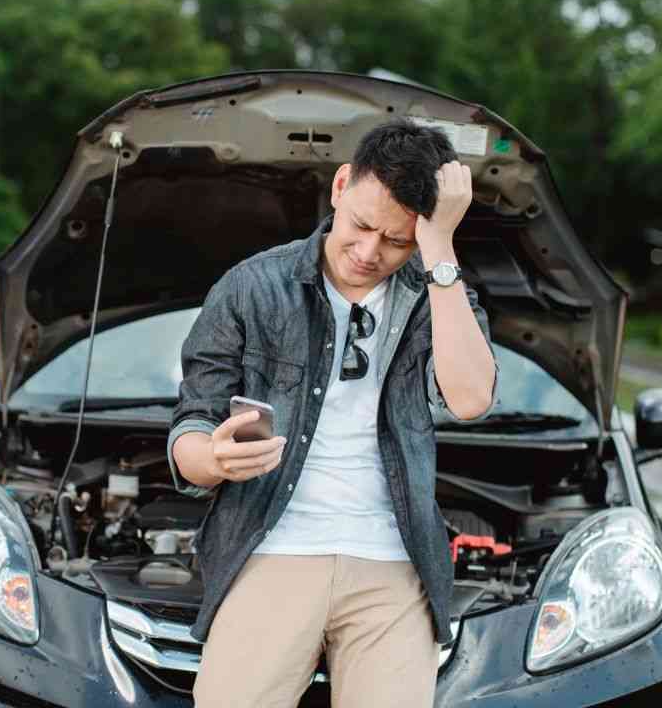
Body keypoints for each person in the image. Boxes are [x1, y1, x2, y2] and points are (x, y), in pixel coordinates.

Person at [166, 118, 498, 708]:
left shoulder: (437, 293)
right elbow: (191, 428)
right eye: (362, 226)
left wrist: (439, 249)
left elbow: (471, 400)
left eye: (397, 241)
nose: (370, 252)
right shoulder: (252, 287)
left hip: (395, 560)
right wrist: (213, 458)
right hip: (271, 548)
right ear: (340, 186)